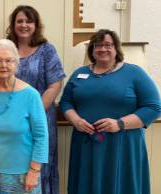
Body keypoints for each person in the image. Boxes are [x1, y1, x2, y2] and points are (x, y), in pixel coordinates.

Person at [59, 29, 161, 194]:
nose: (102, 49)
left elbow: (154, 107)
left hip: (122, 145)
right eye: (97, 45)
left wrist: (119, 124)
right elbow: (66, 102)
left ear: (116, 49)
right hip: (86, 145)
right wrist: (76, 121)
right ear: (92, 50)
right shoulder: (79, 73)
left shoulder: (134, 73)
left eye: (108, 45)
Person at [0, 39, 49, 194]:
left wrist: (34, 171)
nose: (4, 65)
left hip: (24, 174)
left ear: (16, 63)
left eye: (9, 60)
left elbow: (41, 136)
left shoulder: (31, 95)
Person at [6, 5, 65, 194]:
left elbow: (55, 84)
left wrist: (34, 114)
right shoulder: (6, 48)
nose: (24, 25)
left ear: (36, 25)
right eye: (19, 21)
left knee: (38, 166)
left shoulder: (47, 50)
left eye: (28, 21)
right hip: (11, 121)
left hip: (40, 120)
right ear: (13, 25)